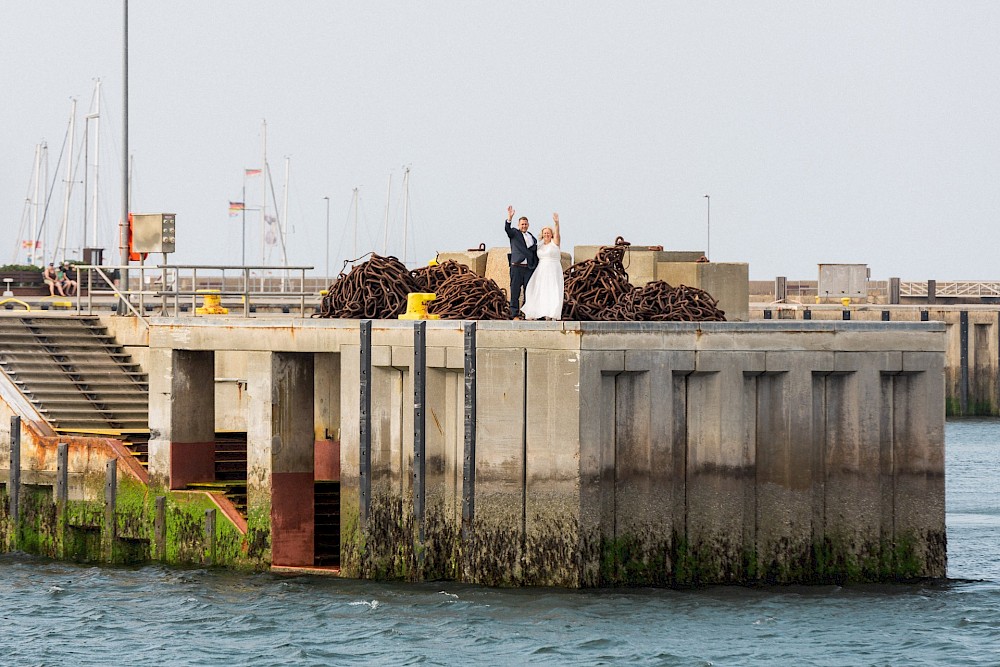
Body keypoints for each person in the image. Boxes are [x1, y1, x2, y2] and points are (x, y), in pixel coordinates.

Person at [521, 213, 564, 320]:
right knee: (537, 289)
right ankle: (535, 312)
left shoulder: (555, 243)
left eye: (548, 233)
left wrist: (556, 223)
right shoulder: (539, 245)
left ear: (551, 234)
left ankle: (551, 314)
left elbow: (557, 234)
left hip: (553, 269)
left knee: (553, 291)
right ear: (542, 234)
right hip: (541, 270)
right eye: (545, 233)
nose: (546, 235)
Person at [504, 205, 538, 319]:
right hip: (517, 266)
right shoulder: (514, 233)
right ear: (519, 225)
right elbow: (507, 230)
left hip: (528, 267)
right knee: (515, 290)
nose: (524, 226)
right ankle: (514, 313)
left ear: (528, 225)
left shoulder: (532, 237)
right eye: (522, 224)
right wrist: (509, 218)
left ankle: (525, 312)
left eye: (525, 224)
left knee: (528, 291)